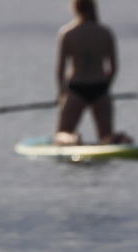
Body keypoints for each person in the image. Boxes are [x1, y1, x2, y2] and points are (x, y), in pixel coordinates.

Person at [54, 0, 132, 146]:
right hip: (100, 87)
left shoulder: (68, 33)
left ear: (74, 9)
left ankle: (72, 139)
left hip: (76, 88)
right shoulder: (105, 33)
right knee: (105, 137)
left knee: (61, 134)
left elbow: (60, 69)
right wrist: (106, 88)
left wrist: (61, 93)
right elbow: (114, 67)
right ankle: (118, 138)